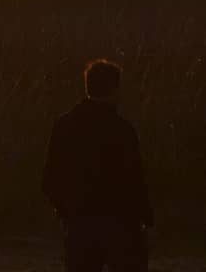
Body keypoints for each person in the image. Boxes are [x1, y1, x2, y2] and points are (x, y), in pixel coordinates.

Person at [42, 59, 152, 272]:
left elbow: (49, 179)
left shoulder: (64, 126)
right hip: (121, 226)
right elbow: (135, 180)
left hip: (79, 224)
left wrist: (66, 213)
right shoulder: (122, 130)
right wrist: (146, 220)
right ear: (113, 90)